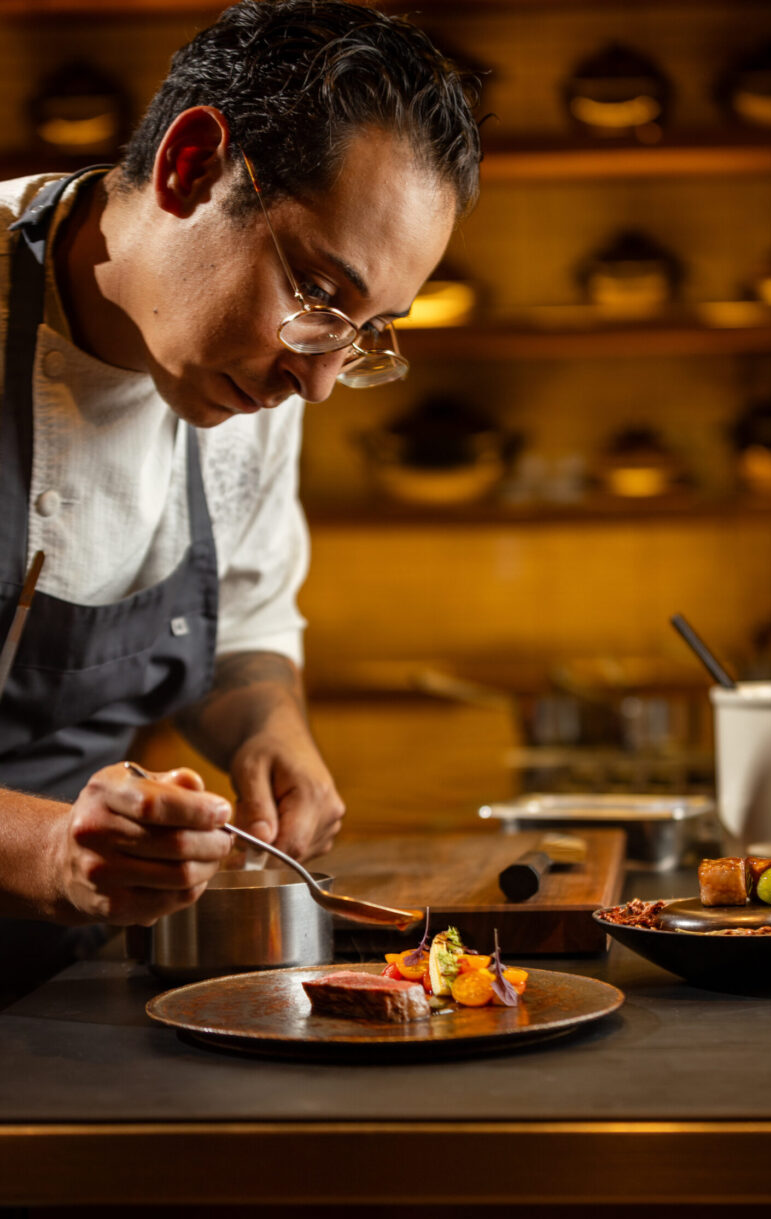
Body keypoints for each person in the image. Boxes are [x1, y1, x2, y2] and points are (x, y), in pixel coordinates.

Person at [0, 0, 482, 1000]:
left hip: (57, 986)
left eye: (366, 330)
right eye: (318, 295)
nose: (315, 382)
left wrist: (271, 730)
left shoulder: (263, 362)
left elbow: (240, 624)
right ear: (190, 168)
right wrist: (45, 850)